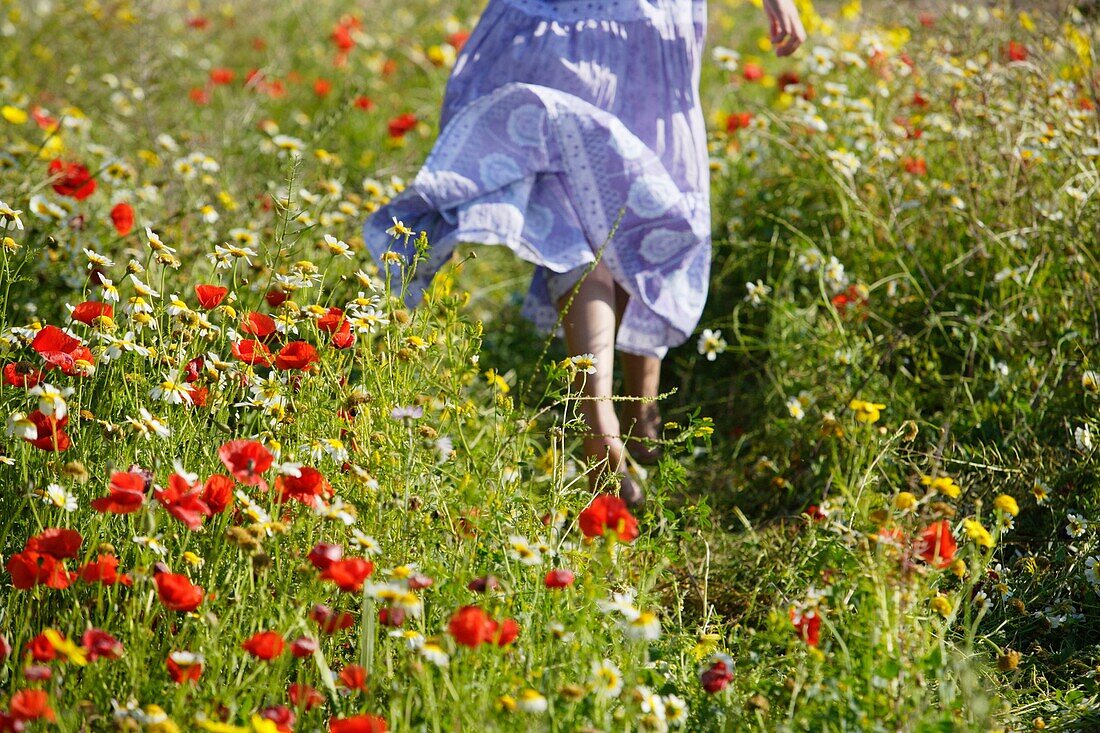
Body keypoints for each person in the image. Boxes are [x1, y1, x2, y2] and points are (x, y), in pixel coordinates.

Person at [362, 0, 805, 506]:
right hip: (647, 31)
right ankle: (635, 420)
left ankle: (616, 417)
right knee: (647, 207)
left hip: (542, 26)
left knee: (579, 234)